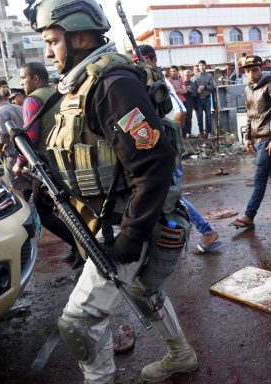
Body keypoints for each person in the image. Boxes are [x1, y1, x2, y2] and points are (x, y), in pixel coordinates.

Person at [24, 1, 198, 383]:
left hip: (128, 221)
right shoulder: (78, 85)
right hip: (105, 221)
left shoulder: (112, 85)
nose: (48, 52)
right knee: (141, 291)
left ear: (81, 36)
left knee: (80, 321)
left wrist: (133, 236)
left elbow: (155, 161)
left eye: (53, 41)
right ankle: (181, 355)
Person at [14, 61, 83, 268]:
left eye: (24, 78)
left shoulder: (32, 101)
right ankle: (77, 248)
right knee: (69, 209)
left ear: (35, 79)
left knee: (43, 213)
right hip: (66, 159)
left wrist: (19, 164)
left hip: (45, 165)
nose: (22, 82)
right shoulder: (58, 95)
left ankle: (79, 246)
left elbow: (30, 139)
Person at [230, 55, 271, 229]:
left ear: (261, 69)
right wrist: (247, 136)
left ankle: (249, 215)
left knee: (260, 179)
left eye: (255, 70)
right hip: (258, 138)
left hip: (268, 140)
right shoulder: (248, 89)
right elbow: (250, 115)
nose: (251, 74)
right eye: (248, 71)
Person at [0, 91, 31, 197]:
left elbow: (2, 135)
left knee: (15, 185)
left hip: (12, 152)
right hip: (27, 150)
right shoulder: (18, 107)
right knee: (31, 179)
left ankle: (24, 210)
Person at [193, 59, 215, 137]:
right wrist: (197, 90)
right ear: (198, 66)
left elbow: (213, 87)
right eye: (200, 65)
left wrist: (205, 86)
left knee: (208, 116)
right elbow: (193, 88)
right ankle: (201, 132)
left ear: (205, 66)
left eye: (203, 65)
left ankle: (209, 132)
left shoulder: (209, 76)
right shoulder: (195, 76)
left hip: (207, 99)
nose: (201, 67)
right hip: (199, 99)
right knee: (199, 117)